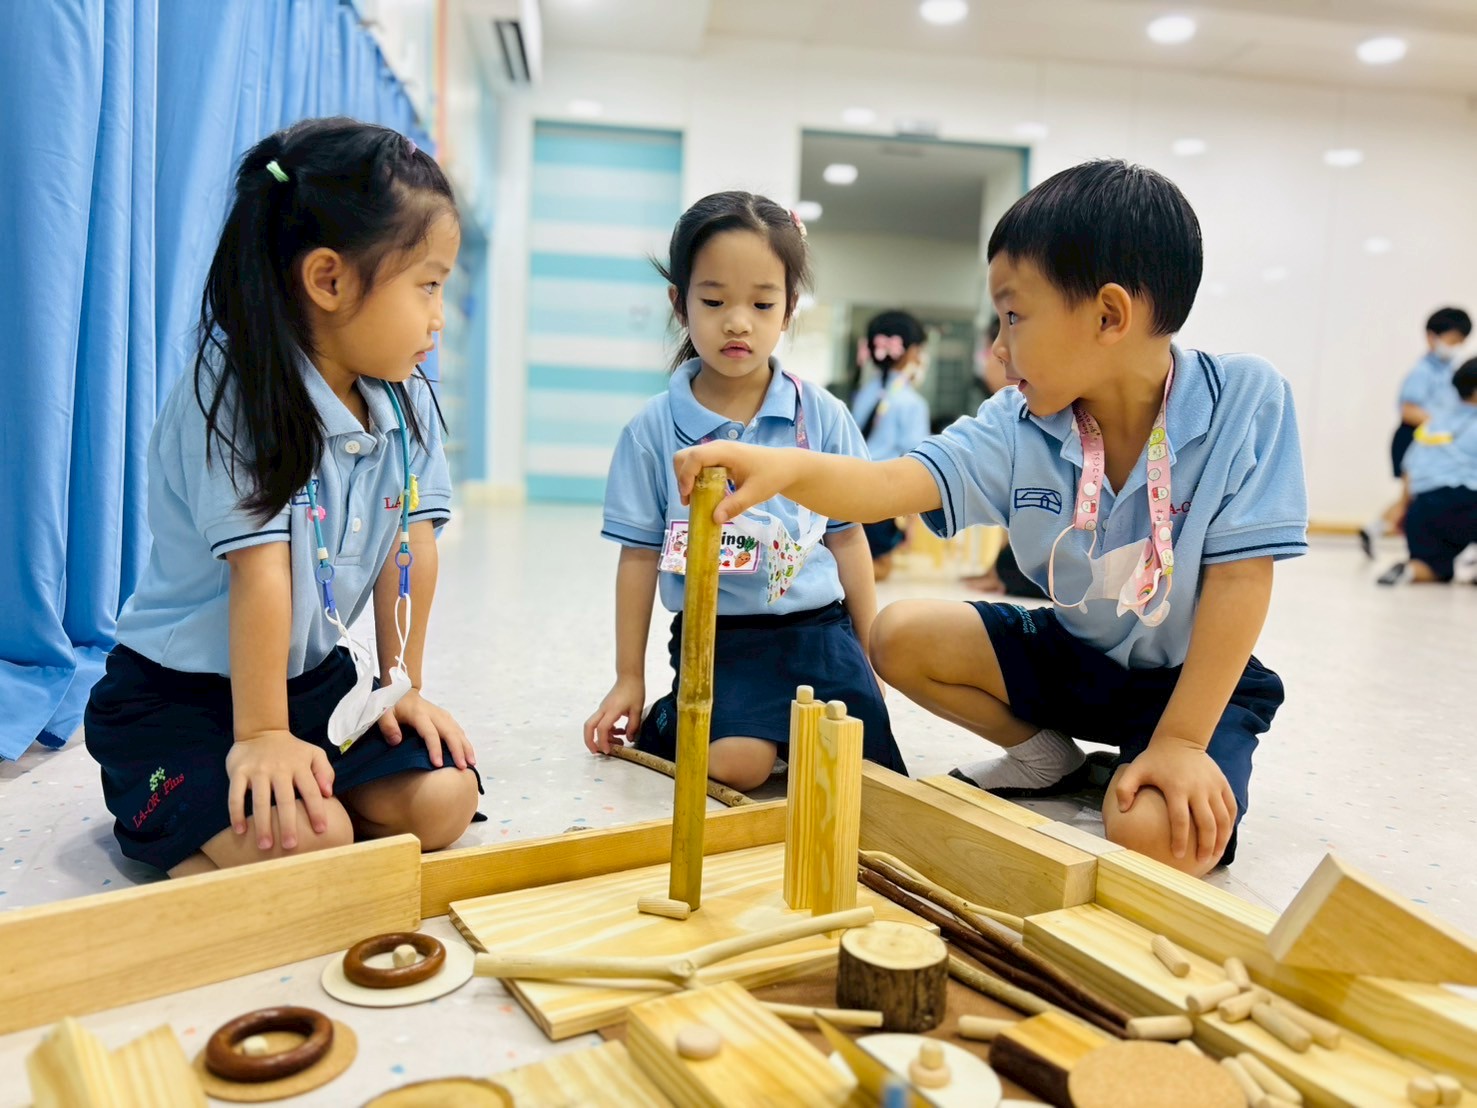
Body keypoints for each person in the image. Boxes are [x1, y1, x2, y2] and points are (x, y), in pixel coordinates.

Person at [675, 161, 1307, 875]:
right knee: (900, 635)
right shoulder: (1016, 423)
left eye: (1013, 316)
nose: (998, 349)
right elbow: (886, 483)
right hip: (1077, 660)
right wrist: (786, 467)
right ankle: (1047, 757)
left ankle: (1158, 749)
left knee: (1156, 838)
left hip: (1196, 683)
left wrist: (1183, 742)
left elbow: (1242, 580)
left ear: (1107, 316)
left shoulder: (1244, 399)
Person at [84, 119, 481, 877]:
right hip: (176, 700)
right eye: (427, 285)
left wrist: (400, 686)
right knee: (308, 840)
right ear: (329, 280)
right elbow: (261, 572)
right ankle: (191, 819)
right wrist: (263, 734)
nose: (438, 317)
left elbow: (410, 549)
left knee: (443, 799)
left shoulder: (406, 400)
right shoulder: (234, 393)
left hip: (306, 683)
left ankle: (294, 815)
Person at [583, 192, 904, 789]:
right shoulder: (651, 430)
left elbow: (848, 539)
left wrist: (870, 657)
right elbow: (638, 557)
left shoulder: (822, 415)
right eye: (713, 301)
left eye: (762, 303)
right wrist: (630, 676)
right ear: (679, 304)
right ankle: (675, 721)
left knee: (860, 767)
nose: (738, 321)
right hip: (718, 636)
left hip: (819, 628)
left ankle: (773, 726)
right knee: (738, 766)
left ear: (788, 310)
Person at [1361, 307, 1472, 557]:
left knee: (1415, 493)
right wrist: (1443, 426)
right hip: (1415, 438)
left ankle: (1373, 529)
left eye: (1460, 342)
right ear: (1432, 337)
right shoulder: (1423, 371)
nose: (1455, 347)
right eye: (1452, 340)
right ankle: (1384, 533)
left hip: (1433, 440)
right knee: (1416, 493)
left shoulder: (1449, 369)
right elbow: (1408, 409)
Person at [964, 315, 1047, 599]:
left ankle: (1002, 572)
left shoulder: (1030, 412)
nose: (985, 364)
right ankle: (997, 571)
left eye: (986, 355)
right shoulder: (1004, 413)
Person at [1377, 359, 1477, 585]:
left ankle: (1409, 571)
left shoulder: (1433, 423)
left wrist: (1402, 507)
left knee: (1432, 567)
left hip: (1422, 510)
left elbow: (1409, 469)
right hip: (1466, 505)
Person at [850, 310, 931, 580]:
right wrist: (913, 524)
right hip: (883, 504)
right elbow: (918, 465)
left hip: (849, 496)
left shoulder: (861, 394)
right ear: (913, 352)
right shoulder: (912, 403)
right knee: (879, 571)